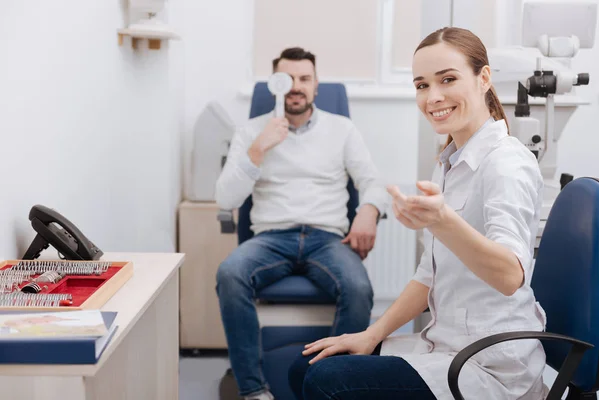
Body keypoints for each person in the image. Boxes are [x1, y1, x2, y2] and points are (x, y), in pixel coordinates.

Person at [288, 27, 547, 400]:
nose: (432, 97)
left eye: (448, 79)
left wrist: (444, 221)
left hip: (488, 365)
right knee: (306, 366)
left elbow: (510, 276)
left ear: (484, 78)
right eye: (421, 85)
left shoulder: (506, 163)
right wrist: (372, 334)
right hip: (444, 347)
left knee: (328, 381)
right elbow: (428, 277)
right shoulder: (448, 162)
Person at [215, 47, 389, 400]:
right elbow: (225, 200)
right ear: (274, 85)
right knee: (229, 274)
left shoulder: (342, 129)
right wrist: (257, 150)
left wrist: (368, 211)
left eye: (304, 79)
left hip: (327, 238)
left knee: (359, 289)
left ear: (316, 85)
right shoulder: (251, 132)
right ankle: (253, 390)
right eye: (288, 78)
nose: (296, 86)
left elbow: (372, 182)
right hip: (271, 238)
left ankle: (326, 384)